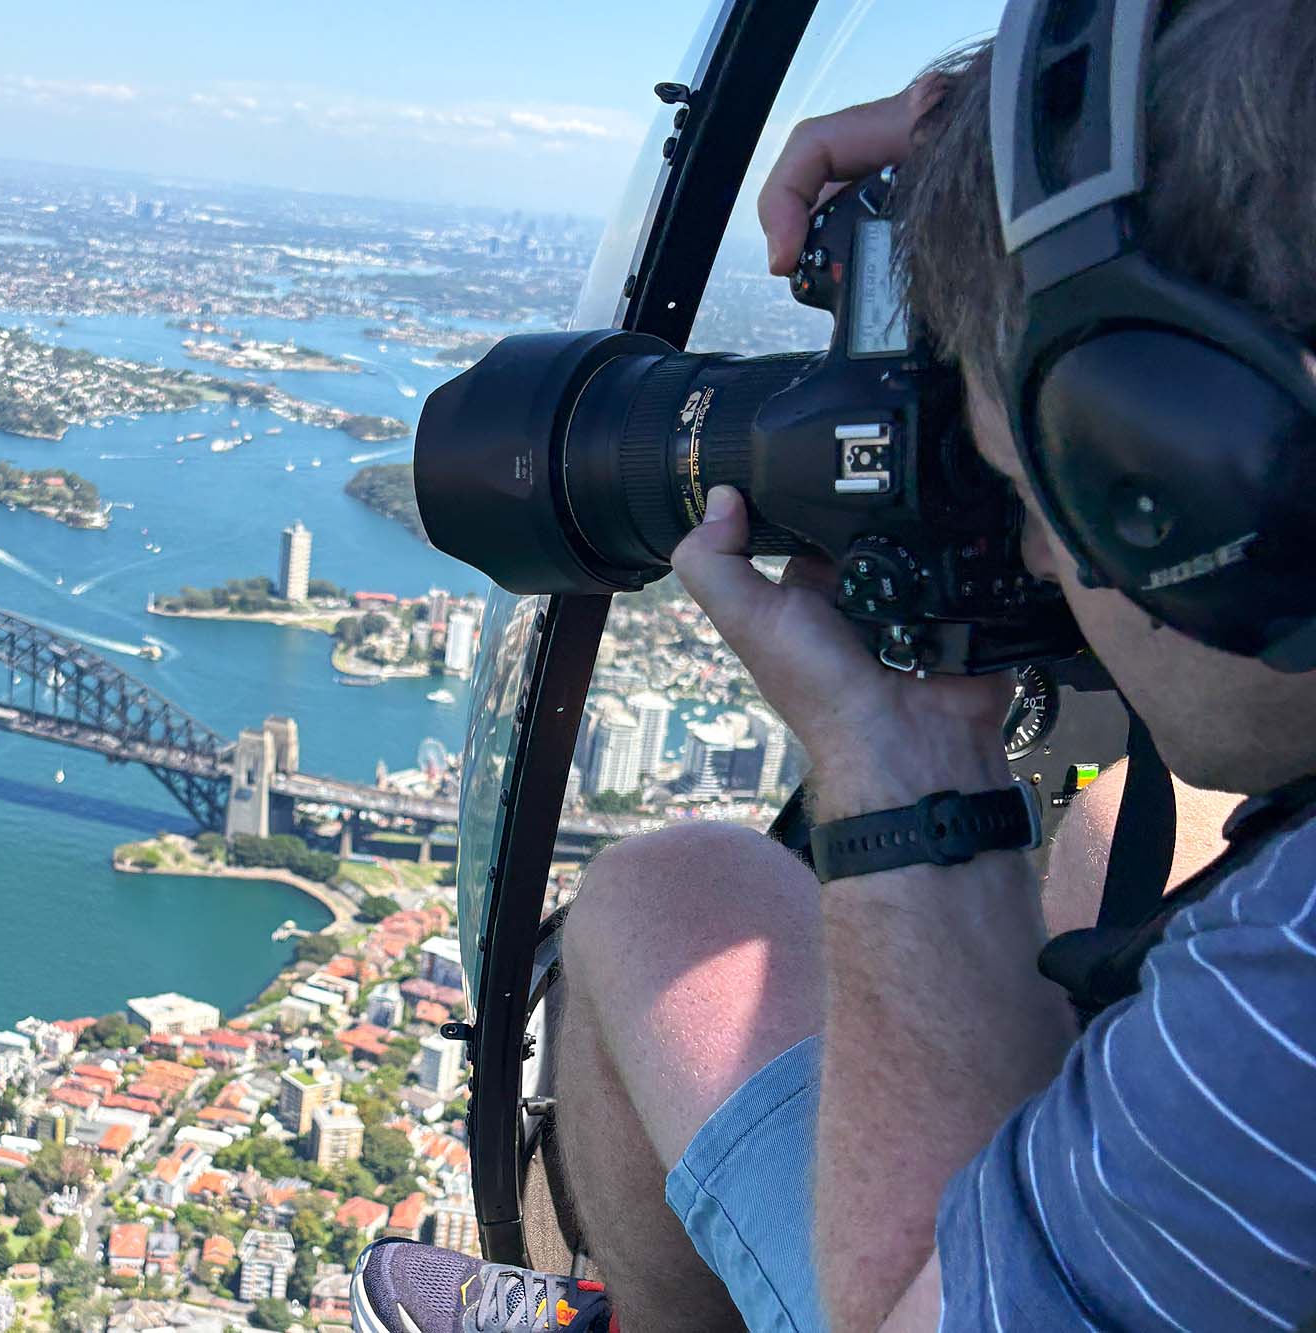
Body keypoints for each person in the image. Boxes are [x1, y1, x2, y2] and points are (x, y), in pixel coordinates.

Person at [352, 3, 1316, 1330]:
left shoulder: (1289, 988)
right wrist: (1014, 137)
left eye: (1059, 482)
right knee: (1108, 838)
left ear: (1221, 473)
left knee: (666, 899)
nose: (1034, 553)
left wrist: (898, 754)